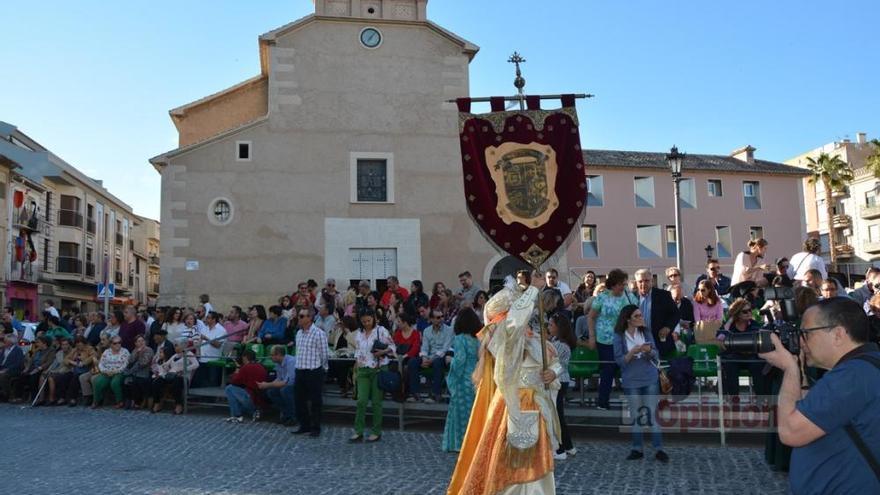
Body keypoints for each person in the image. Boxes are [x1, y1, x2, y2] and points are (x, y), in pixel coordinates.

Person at [447, 270, 563, 494]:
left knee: (535, 463)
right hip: (512, 407)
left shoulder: (533, 339)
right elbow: (513, 328)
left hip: (536, 405)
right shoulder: (501, 339)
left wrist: (554, 373)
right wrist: (532, 290)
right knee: (511, 461)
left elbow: (554, 361)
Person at [758, 298, 880, 494]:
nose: (801, 341)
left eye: (806, 333)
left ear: (838, 334)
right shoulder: (864, 367)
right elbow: (810, 411)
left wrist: (789, 370)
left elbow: (790, 432)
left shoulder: (851, 376)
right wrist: (799, 370)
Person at [613, 305, 668, 462]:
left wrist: (648, 351)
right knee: (636, 415)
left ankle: (659, 449)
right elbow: (619, 361)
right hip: (631, 380)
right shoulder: (619, 336)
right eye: (637, 316)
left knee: (652, 413)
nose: (641, 318)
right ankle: (637, 448)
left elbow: (656, 353)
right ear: (628, 319)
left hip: (649, 377)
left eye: (641, 315)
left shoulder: (645, 331)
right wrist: (632, 352)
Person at [587, 269, 636, 409]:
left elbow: (637, 315)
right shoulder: (602, 297)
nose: (623, 286)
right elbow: (591, 317)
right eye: (620, 284)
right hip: (605, 340)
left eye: (624, 283)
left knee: (628, 369)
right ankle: (603, 402)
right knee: (608, 370)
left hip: (624, 339)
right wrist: (592, 337)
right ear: (613, 284)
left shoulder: (630, 297)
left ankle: (632, 402)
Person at [350, 309, 395, 443]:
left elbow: (393, 347)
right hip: (363, 370)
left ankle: (376, 431)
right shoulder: (359, 333)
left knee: (376, 402)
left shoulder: (381, 331)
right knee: (361, 401)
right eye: (363, 321)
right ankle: (358, 431)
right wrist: (357, 368)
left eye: (368, 321)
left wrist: (383, 351)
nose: (366, 324)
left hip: (378, 369)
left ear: (374, 318)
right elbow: (357, 351)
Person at [442, 307, 481, 453]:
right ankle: (474, 442)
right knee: (472, 414)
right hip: (476, 378)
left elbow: (459, 361)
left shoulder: (459, 339)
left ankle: (459, 443)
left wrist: (450, 360)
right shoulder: (478, 339)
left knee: (459, 414)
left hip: (462, 380)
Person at [292, 307, 328, 437]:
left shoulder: (319, 333)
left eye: (302, 316)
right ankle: (304, 425)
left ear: (310, 318)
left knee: (315, 401)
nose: (299, 318)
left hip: (314, 371)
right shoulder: (298, 333)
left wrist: (323, 369)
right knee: (299, 400)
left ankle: (315, 427)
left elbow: (324, 354)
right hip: (300, 370)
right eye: (299, 316)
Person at [716, 298, 764, 397]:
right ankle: (734, 398)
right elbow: (720, 338)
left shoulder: (755, 325)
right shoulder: (729, 326)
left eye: (750, 310)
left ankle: (761, 399)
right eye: (745, 311)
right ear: (737, 314)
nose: (749, 313)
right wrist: (729, 322)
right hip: (734, 356)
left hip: (751, 357)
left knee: (758, 366)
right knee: (730, 366)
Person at [407, 309, 453, 403]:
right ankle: (415, 394)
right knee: (412, 362)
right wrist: (424, 358)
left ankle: (435, 394)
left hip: (442, 357)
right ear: (431, 319)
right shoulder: (427, 331)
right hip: (429, 357)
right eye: (438, 317)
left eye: (442, 317)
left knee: (437, 362)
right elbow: (424, 347)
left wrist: (431, 360)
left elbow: (445, 349)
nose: (441, 319)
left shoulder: (449, 330)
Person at [633, 269, 681, 358]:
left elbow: (676, 314)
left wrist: (668, 327)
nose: (643, 284)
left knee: (662, 370)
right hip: (638, 342)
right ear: (636, 282)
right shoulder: (631, 297)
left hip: (660, 341)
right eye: (640, 281)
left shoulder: (663, 295)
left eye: (646, 281)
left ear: (652, 281)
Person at [549, 312, 577, 460]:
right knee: (558, 414)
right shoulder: (556, 341)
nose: (549, 327)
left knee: (557, 415)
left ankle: (560, 447)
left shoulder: (560, 345)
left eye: (551, 325)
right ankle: (568, 445)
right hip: (560, 380)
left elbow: (551, 361)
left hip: (560, 380)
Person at [151, 340, 199, 414]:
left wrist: (183, 369)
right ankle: (157, 403)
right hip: (171, 375)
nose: (175, 348)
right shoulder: (175, 355)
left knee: (176, 383)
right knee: (157, 382)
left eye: (177, 345)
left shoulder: (189, 354)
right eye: (175, 346)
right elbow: (166, 364)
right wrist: (165, 366)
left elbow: (196, 364)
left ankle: (178, 405)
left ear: (182, 346)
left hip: (182, 376)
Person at [224, 349, 268, 423]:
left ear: (245, 357)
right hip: (260, 398)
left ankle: (236, 416)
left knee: (229, 388)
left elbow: (234, 381)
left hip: (252, 397)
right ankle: (256, 412)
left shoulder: (246, 367)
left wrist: (237, 369)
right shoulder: (261, 366)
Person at [257, 345, 297, 426]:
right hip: (288, 385)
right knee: (271, 392)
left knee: (285, 390)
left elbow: (288, 382)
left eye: (272, 355)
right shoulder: (278, 363)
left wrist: (267, 385)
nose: (271, 357)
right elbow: (279, 379)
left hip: (298, 385)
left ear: (278, 355)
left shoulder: (291, 361)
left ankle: (293, 417)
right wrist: (266, 385)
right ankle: (286, 415)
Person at [92, 336, 130, 409]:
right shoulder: (106, 352)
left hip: (119, 372)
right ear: (111, 344)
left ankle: (119, 401)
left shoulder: (125, 351)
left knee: (115, 382)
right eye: (115, 343)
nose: (118, 344)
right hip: (107, 372)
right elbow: (101, 364)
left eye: (119, 342)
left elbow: (126, 364)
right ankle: (96, 400)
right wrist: (105, 371)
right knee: (97, 381)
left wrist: (116, 371)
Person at [122, 335, 154, 409]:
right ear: (135, 343)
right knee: (126, 380)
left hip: (144, 372)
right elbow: (130, 361)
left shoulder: (149, 350)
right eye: (139, 341)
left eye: (142, 341)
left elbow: (144, 363)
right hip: (134, 372)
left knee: (137, 381)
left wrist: (140, 354)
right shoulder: (135, 350)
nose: (141, 343)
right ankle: (128, 400)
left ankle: (137, 402)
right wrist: (137, 353)